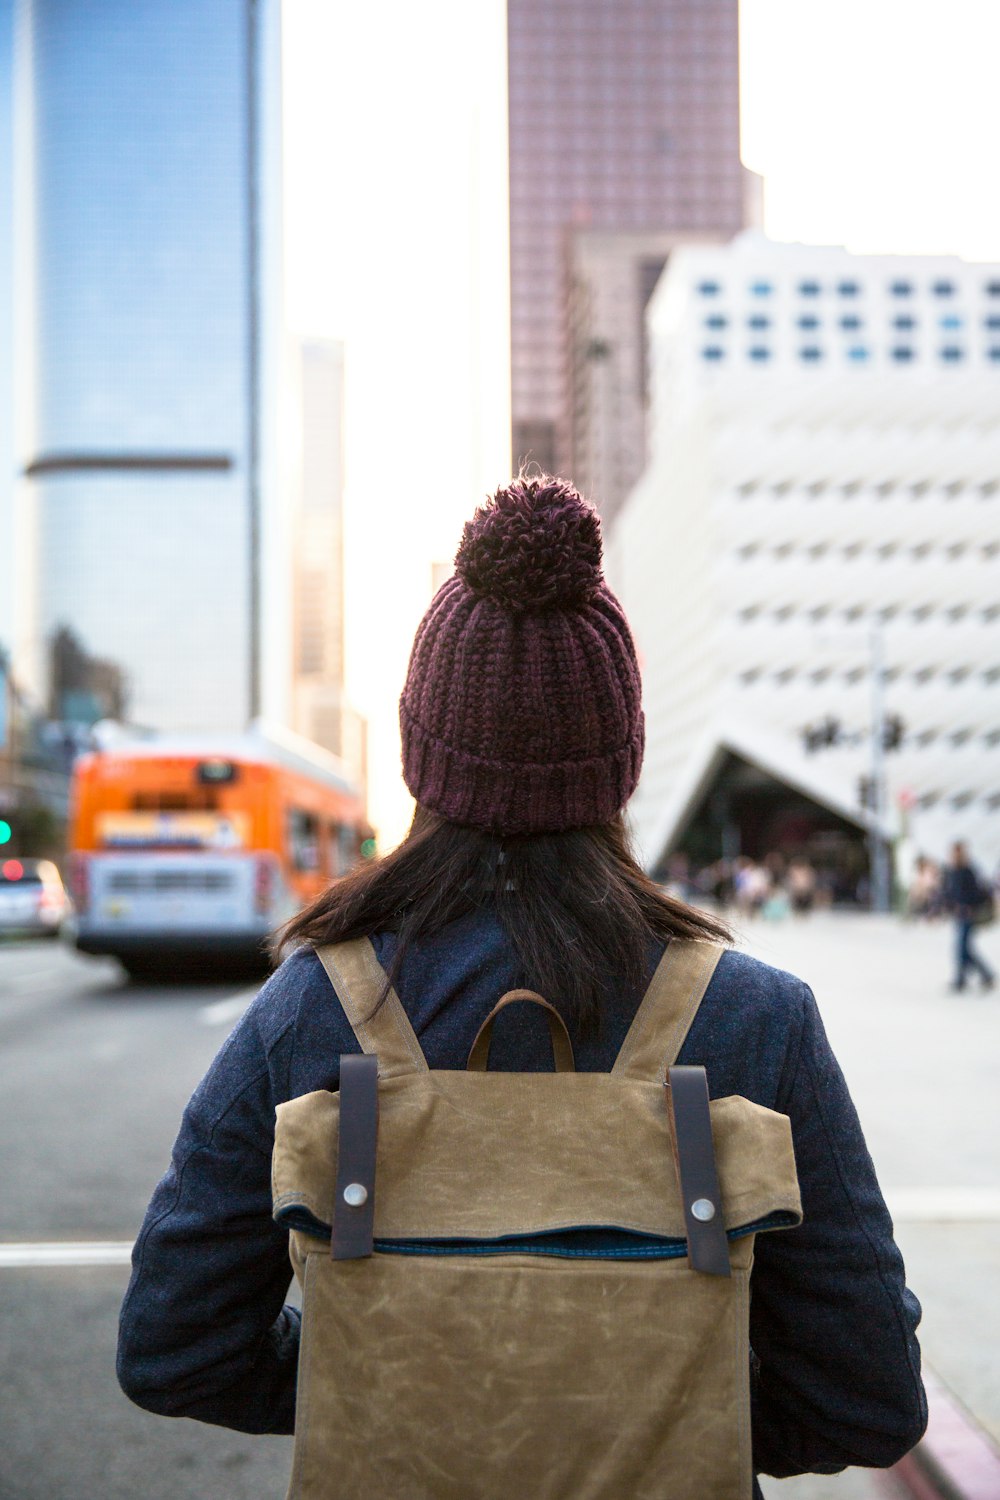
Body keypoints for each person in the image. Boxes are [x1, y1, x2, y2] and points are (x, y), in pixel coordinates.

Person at [117, 476, 927, 1494]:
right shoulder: (754, 1016)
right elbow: (868, 1398)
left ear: (420, 753)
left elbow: (171, 1349)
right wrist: (654, 1408)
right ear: (621, 760)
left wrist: (409, 1394)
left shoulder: (313, 1004)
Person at [942, 841, 996, 993]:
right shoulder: (953, 871)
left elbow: (976, 893)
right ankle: (981, 976)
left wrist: (968, 906)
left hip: (968, 914)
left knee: (962, 949)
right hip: (959, 914)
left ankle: (969, 978)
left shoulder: (968, 871)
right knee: (963, 949)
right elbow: (950, 893)